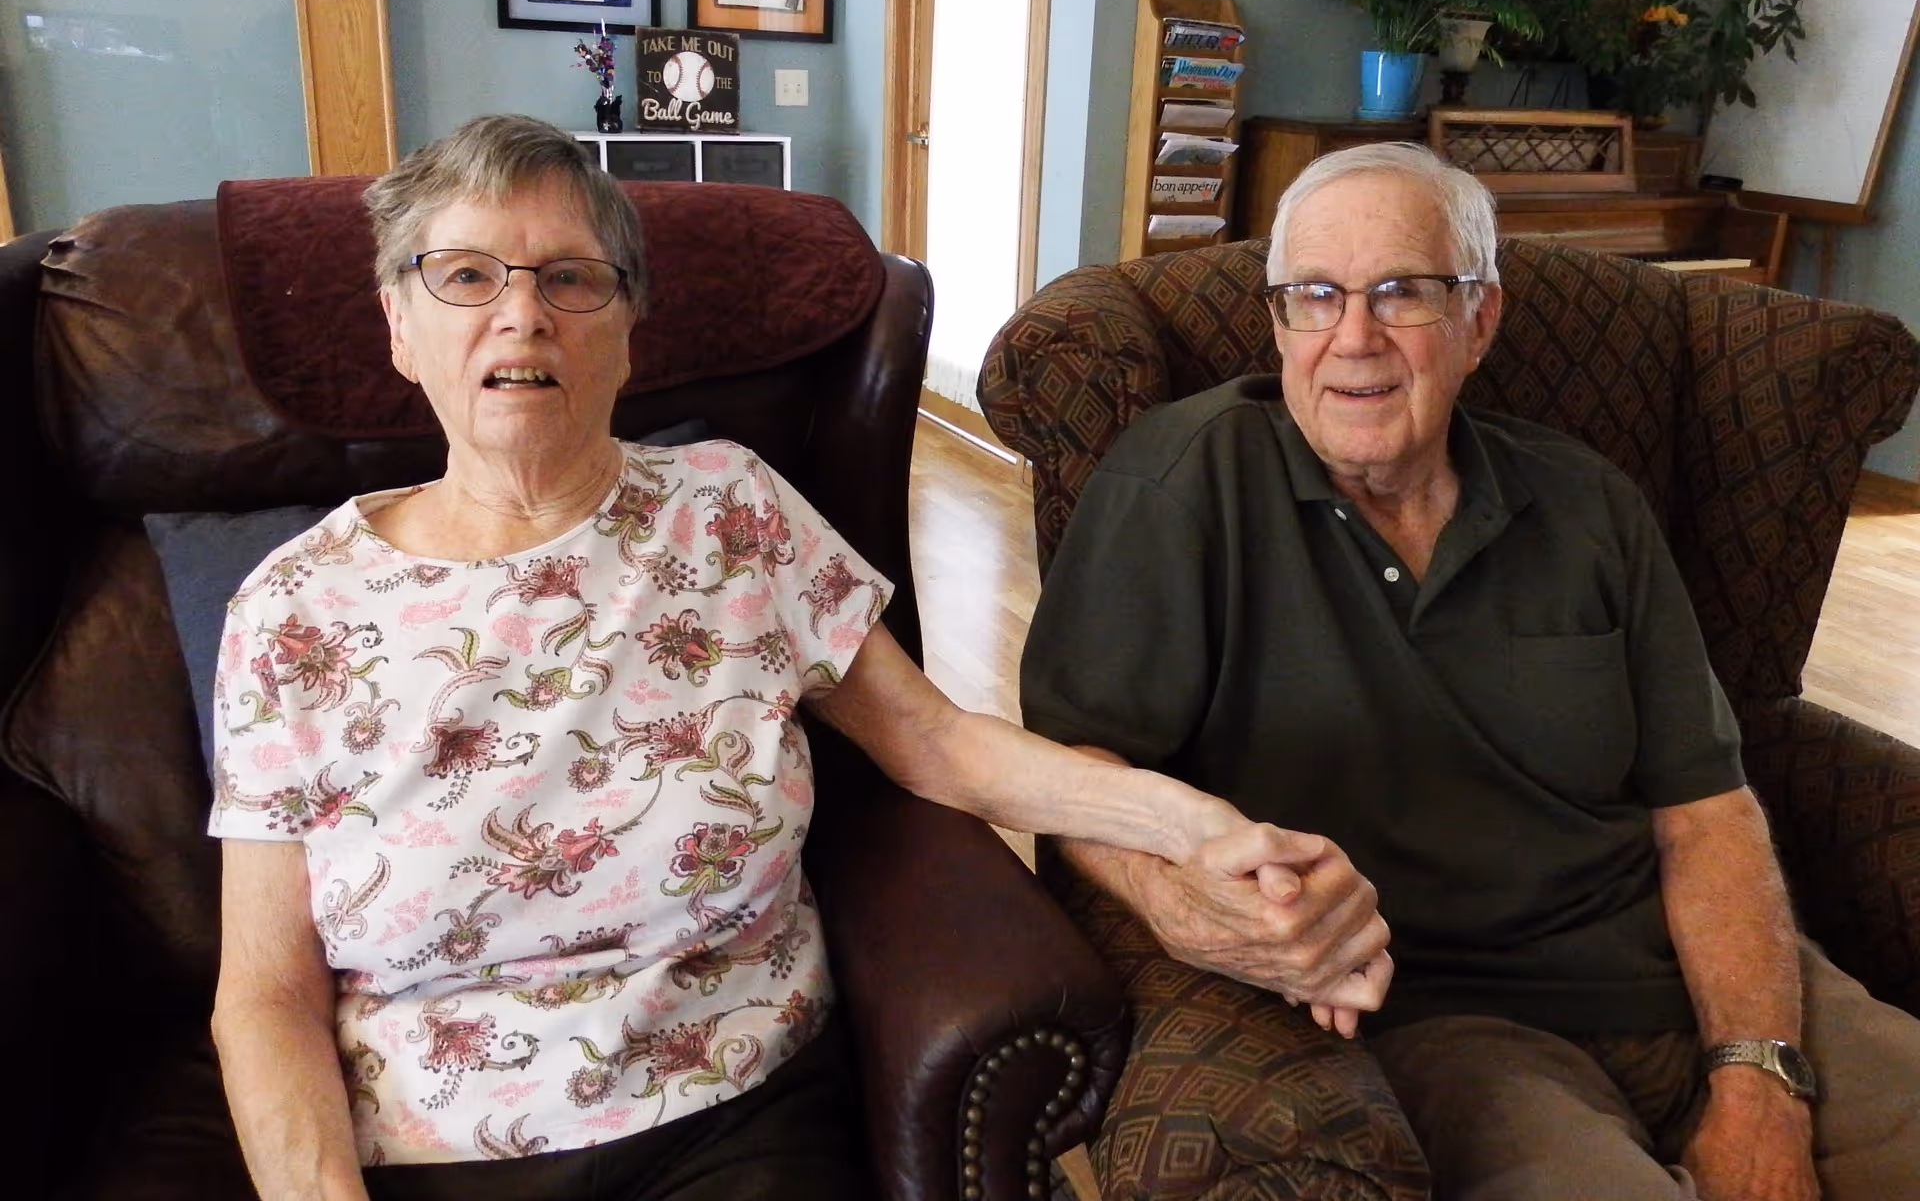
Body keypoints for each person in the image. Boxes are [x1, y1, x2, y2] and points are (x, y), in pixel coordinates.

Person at [207, 114, 1292, 1201]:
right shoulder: (294, 606)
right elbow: (263, 992)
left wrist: (1195, 826)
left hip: (731, 1112)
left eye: (571, 278)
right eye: (465, 276)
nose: (523, 314)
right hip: (432, 1148)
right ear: (398, 323)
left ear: (628, 330)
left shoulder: (731, 509)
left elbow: (938, 743)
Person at [1019, 142, 1920, 1200]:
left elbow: (1707, 810)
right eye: (1315, 296)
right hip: (1449, 1022)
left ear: (1479, 320)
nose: (1354, 336)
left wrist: (1757, 1076)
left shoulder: (1588, 503)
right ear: (1279, 323)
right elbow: (1073, 769)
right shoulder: (1185, 482)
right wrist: (1174, 897)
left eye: (1403, 291)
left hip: (1699, 977)